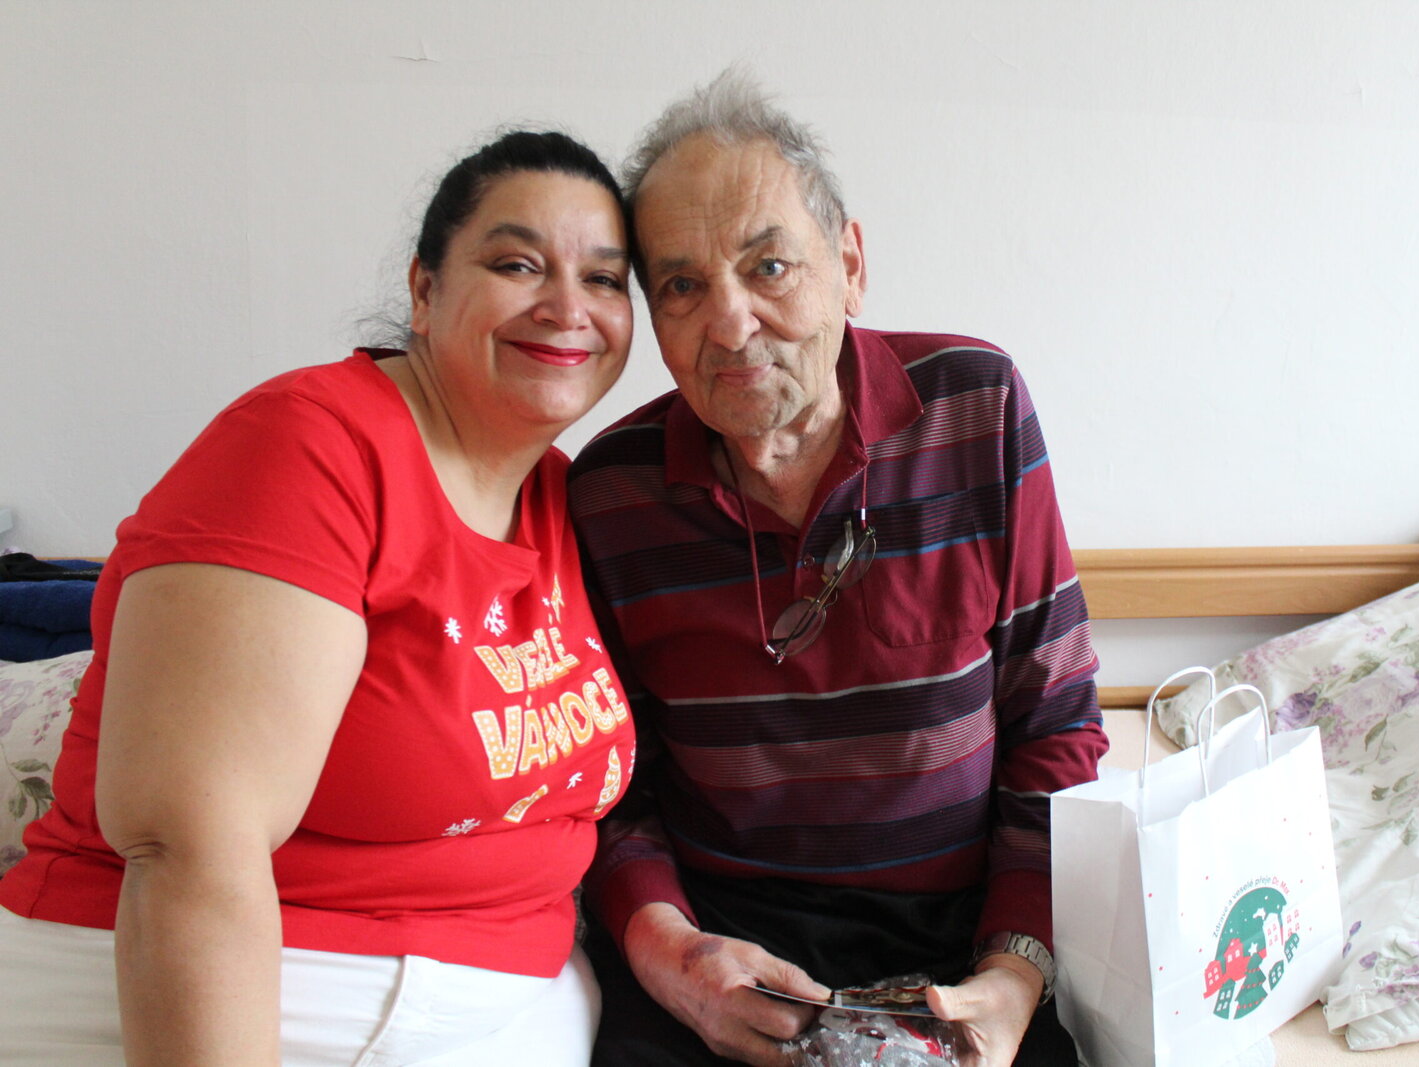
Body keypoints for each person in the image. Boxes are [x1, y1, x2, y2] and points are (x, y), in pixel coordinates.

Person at [0, 130, 637, 1067]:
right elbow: (189, 848)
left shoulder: (562, 496)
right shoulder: (307, 449)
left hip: (490, 1000)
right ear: (424, 290)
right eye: (517, 264)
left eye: (605, 279)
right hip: (232, 998)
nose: (568, 307)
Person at [567, 71, 1106, 1067]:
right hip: (722, 934)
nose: (730, 323)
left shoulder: (976, 410)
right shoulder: (610, 494)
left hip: (959, 935)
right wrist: (668, 949)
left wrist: (1013, 971)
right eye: (681, 286)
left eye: (768, 266)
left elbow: (1056, 724)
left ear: (849, 264)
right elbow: (604, 781)